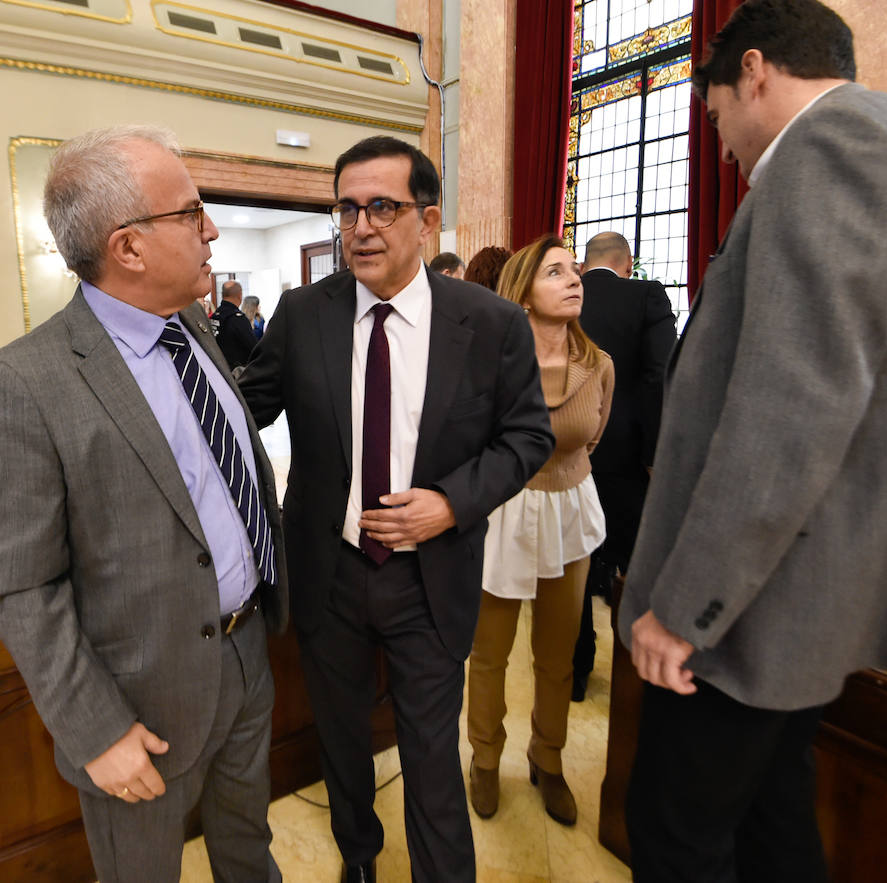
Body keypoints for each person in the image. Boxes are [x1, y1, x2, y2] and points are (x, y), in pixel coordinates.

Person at [617, 0, 887, 883]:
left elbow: (793, 408)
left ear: (752, 73)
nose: (724, 148)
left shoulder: (831, 147)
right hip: (815, 598)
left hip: (752, 611)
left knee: (673, 831)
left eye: (712, 118)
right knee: (774, 820)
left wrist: (688, 601)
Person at [0, 125, 288, 883]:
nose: (211, 229)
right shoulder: (23, 383)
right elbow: (22, 585)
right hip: (137, 702)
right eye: (192, 212)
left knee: (250, 851)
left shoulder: (197, 326)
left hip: (247, 657)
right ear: (129, 248)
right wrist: (96, 728)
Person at [239, 135, 553, 882]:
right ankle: (358, 861)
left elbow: (527, 436)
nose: (362, 226)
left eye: (383, 205)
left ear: (428, 218)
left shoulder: (489, 324)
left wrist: (451, 502)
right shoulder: (302, 313)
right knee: (344, 748)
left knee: (430, 761)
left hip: (429, 581)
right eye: (347, 209)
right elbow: (245, 404)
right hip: (330, 575)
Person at [465, 234, 613, 827]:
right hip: (506, 508)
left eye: (575, 270)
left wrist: (563, 475)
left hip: (569, 510)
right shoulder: (494, 362)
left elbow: (593, 438)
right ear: (523, 293)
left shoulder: (597, 364)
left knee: (556, 655)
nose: (575, 279)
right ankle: (483, 758)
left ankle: (547, 760)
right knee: (490, 652)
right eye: (556, 272)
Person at [570, 231, 676, 701]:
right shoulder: (645, 296)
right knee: (635, 568)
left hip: (572, 456)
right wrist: (656, 454)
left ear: (585, 263)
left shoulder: (565, 297)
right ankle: (634, 680)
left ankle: (576, 673)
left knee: (576, 567)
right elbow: (661, 375)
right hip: (630, 457)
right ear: (627, 262)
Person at [211, 279, 259, 368]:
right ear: (240, 295)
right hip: (236, 371)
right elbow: (253, 347)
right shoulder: (237, 318)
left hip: (218, 367)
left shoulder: (215, 316)